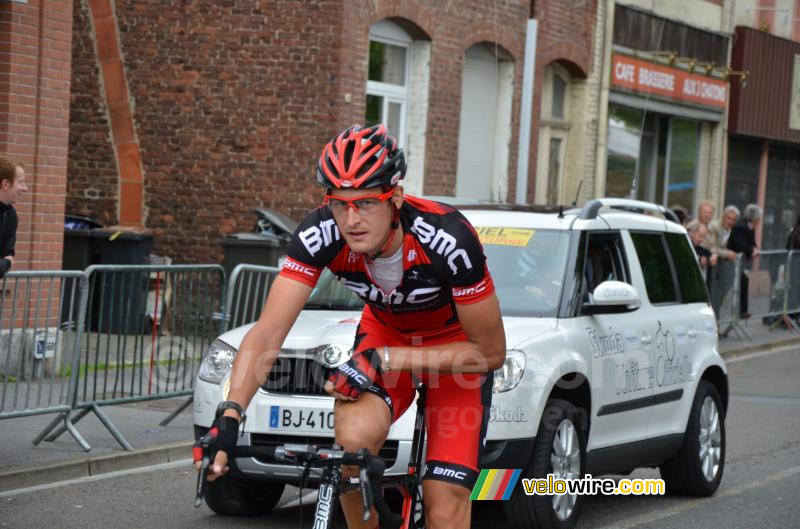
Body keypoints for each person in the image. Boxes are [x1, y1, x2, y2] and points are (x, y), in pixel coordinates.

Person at [199, 124, 506, 529]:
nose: (351, 218)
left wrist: (386, 359)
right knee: (349, 456)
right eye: (339, 204)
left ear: (395, 197)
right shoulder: (319, 233)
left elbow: (490, 353)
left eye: (365, 203)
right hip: (385, 334)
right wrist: (231, 412)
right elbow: (269, 331)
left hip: (455, 351)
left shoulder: (447, 238)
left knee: (444, 503)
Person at [727, 204, 762, 320]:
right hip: (729, 262)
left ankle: (742, 311)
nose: (759, 221)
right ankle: (740, 312)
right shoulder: (740, 227)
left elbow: (751, 243)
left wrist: (753, 249)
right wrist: (751, 250)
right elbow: (741, 246)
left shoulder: (749, 227)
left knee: (744, 282)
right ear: (755, 219)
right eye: (758, 219)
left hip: (738, 263)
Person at [0, 157, 27, 278]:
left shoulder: (10, 215)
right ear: (5, 184)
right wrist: (6, 263)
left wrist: (5, 262)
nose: (25, 188)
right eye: (20, 182)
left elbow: (8, 254)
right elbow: (6, 261)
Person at [696, 200, 719, 266]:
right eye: (704, 212)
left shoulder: (714, 230)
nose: (707, 215)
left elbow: (714, 246)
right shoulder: (693, 227)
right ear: (699, 213)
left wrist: (715, 254)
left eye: (709, 213)